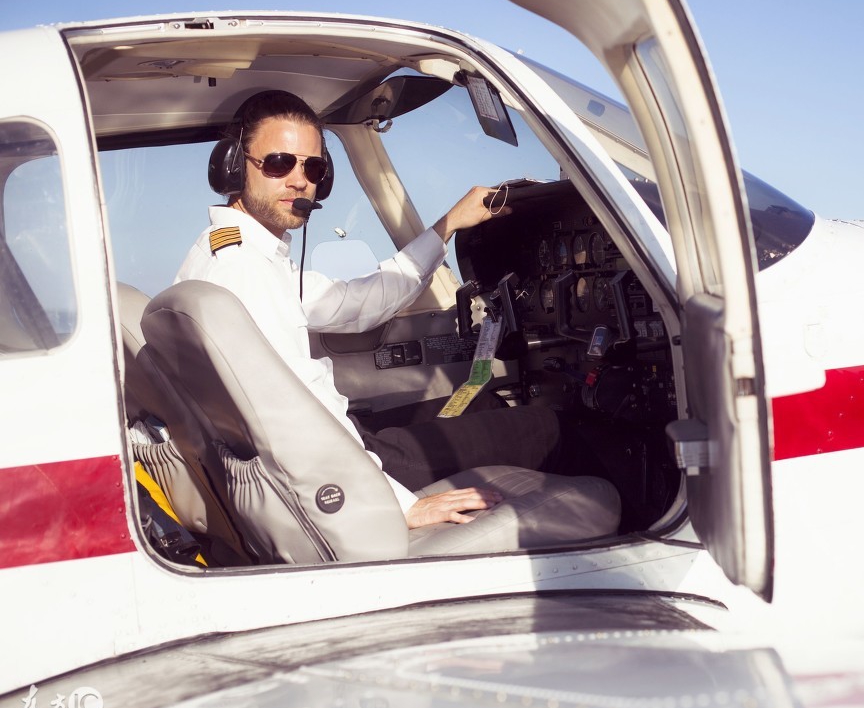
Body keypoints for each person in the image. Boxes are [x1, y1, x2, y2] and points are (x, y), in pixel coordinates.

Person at [176, 90, 614, 535]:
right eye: (278, 163)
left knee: (480, 398)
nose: (299, 180)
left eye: (313, 167)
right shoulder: (245, 271)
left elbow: (361, 304)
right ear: (233, 166)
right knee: (547, 427)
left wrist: (447, 226)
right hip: (336, 472)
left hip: (326, 453)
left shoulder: (238, 254)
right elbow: (298, 411)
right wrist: (397, 505)